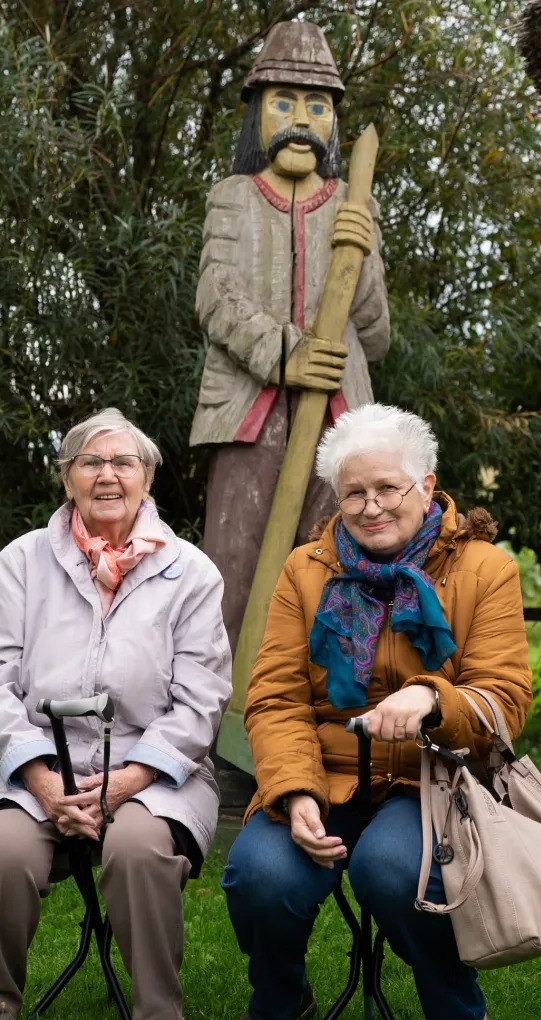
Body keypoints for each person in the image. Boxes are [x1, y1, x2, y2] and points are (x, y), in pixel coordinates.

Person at [222, 403, 532, 1020]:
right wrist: (294, 792)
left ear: (426, 485)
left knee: (393, 869)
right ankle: (281, 1002)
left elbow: (504, 698)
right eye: (353, 493)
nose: (370, 507)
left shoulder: (485, 570)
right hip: (325, 774)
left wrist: (433, 698)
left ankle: (460, 1019)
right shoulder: (305, 570)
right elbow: (275, 699)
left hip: (431, 779)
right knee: (259, 873)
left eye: (387, 488)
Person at [0, 407, 231, 1020]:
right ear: (67, 478)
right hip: (42, 768)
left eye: (123, 462)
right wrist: (41, 781)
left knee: (136, 850)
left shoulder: (191, 572)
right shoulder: (22, 563)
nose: (108, 475)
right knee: (0, 852)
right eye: (91, 462)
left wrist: (129, 781)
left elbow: (201, 700)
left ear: (146, 477)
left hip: (155, 773)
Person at [191, 20, 390, 653]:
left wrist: (362, 251)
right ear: (257, 113)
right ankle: (222, 705)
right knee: (233, 570)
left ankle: (332, 703)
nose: (301, 119)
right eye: (284, 102)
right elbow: (215, 297)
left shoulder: (353, 203)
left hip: (340, 422)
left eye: (317, 106)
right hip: (247, 417)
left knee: (339, 575)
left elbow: (375, 333)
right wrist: (285, 354)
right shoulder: (233, 198)